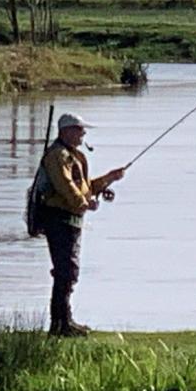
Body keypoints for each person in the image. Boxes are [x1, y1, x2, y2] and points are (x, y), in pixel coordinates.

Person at [39, 113, 126, 337]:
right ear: (66, 131)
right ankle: (60, 325)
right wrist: (84, 203)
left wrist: (109, 178)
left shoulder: (71, 155)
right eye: (79, 129)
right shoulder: (57, 155)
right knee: (66, 271)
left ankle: (64, 321)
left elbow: (84, 186)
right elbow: (65, 186)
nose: (83, 133)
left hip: (70, 219)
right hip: (58, 218)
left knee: (68, 271)